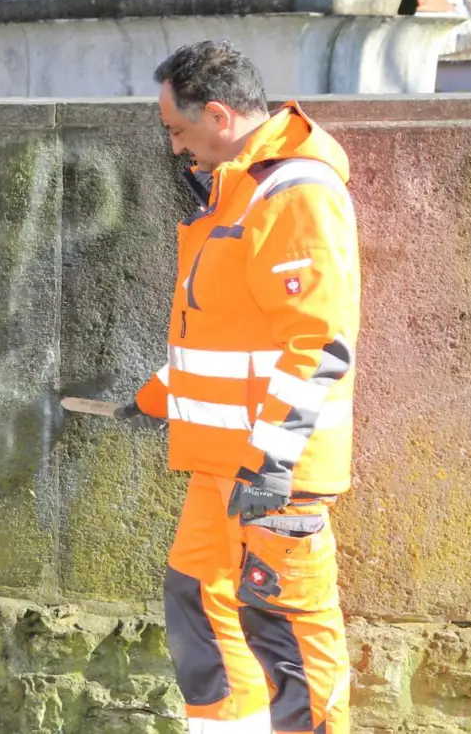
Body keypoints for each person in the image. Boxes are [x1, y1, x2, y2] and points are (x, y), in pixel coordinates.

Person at [119, 40, 359, 734]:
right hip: (229, 465)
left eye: (177, 129)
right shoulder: (240, 188)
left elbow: (317, 340)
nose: (173, 148)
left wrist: (275, 462)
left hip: (270, 470)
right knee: (199, 605)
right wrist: (154, 398)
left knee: (287, 636)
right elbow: (224, 333)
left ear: (219, 115)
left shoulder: (293, 191)